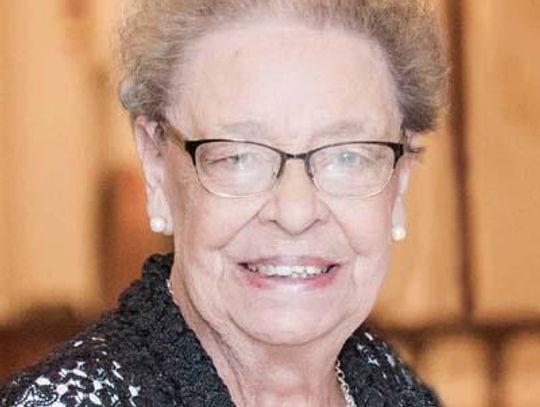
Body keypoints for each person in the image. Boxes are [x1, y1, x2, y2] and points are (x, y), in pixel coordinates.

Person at [0, 0, 448, 405]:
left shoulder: (398, 391)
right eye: (238, 156)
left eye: (348, 156)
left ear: (400, 180)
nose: (295, 213)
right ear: (155, 165)